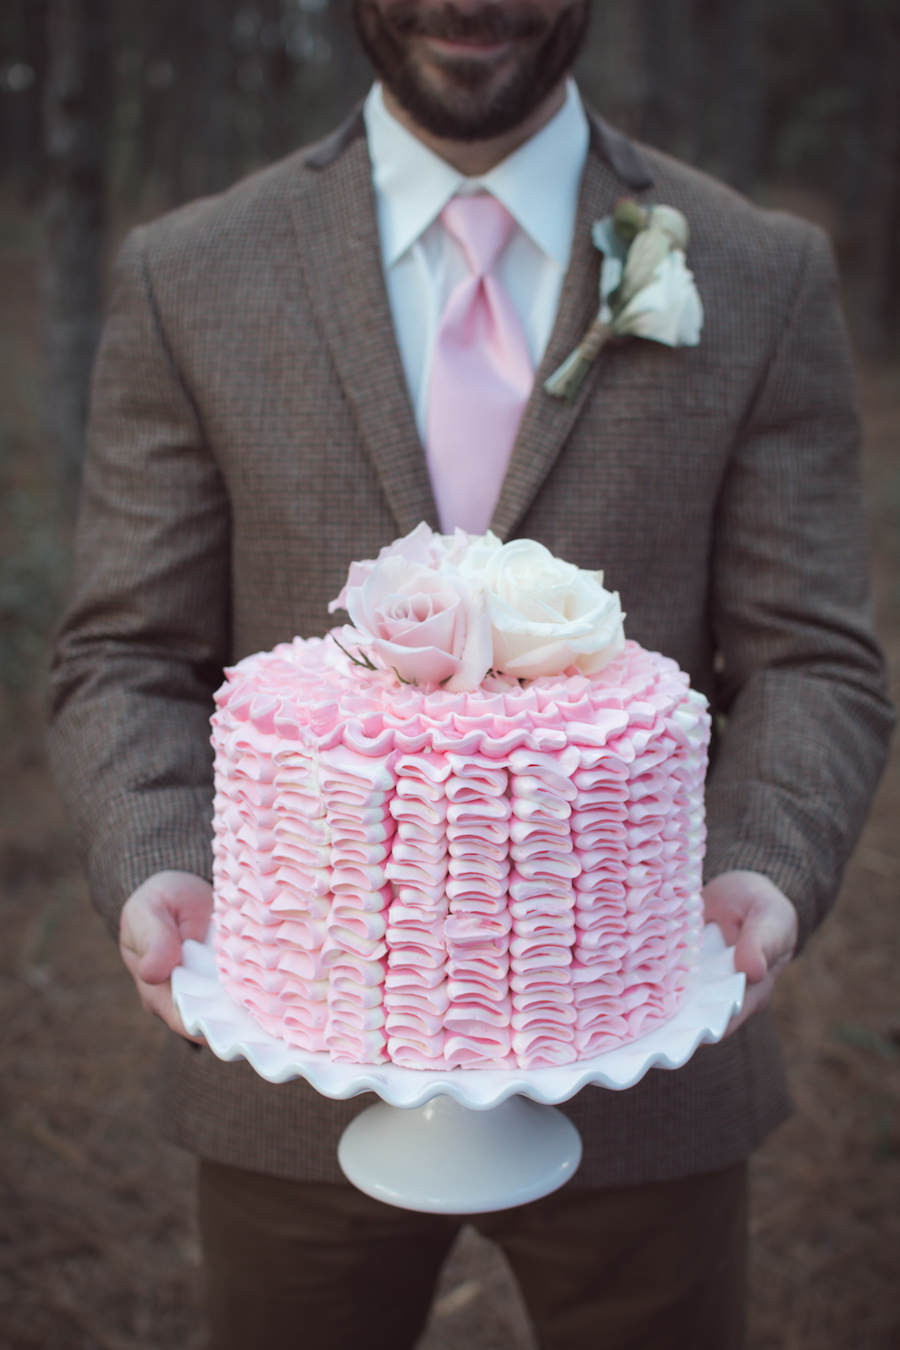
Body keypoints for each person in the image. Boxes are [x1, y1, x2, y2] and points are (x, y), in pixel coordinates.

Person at [47, 2, 893, 1347]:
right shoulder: (191, 273)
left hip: (643, 1061)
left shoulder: (755, 268)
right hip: (295, 1066)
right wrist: (156, 856)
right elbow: (125, 653)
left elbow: (816, 660)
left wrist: (764, 866)